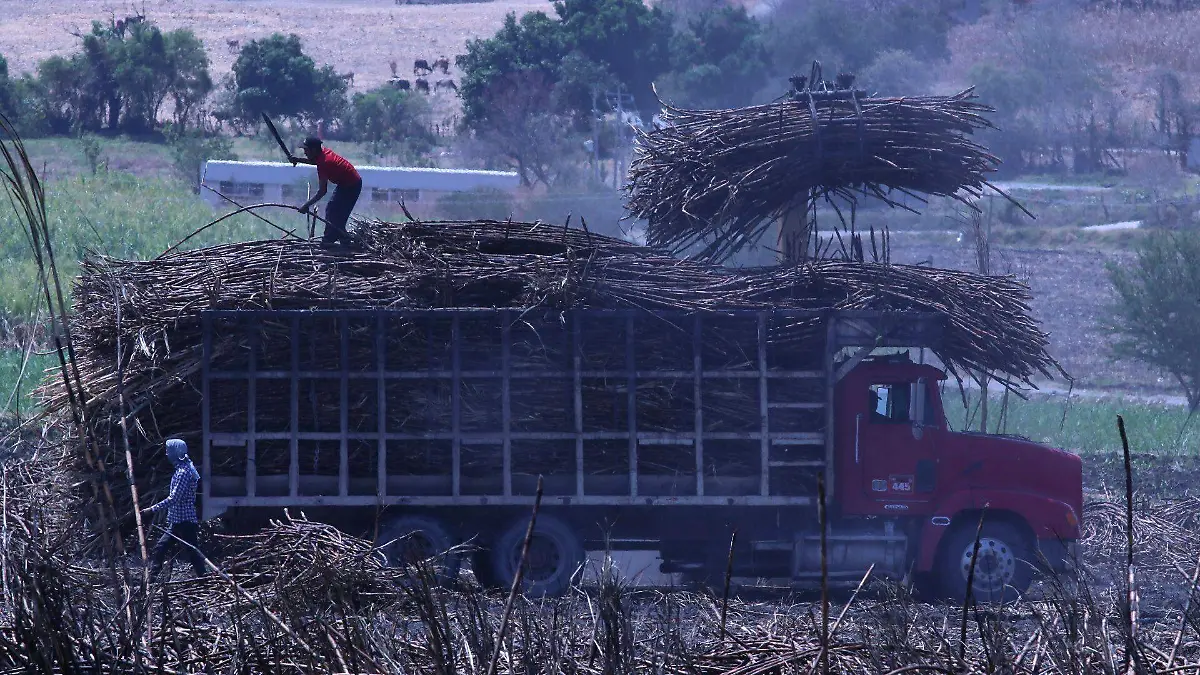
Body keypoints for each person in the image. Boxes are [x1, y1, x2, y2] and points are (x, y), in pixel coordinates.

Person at [143, 438, 207, 579]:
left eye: (168, 451)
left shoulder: (184, 472)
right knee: (161, 548)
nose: (166, 454)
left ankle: (205, 579)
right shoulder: (181, 469)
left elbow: (174, 499)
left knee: (193, 552)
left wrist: (152, 509)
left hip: (185, 521)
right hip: (178, 521)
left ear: (175, 452)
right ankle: (152, 579)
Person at [291, 137, 362, 245]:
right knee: (334, 212)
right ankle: (341, 240)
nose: (304, 152)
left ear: (314, 150)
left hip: (351, 186)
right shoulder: (322, 154)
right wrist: (297, 160)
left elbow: (322, 191)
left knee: (335, 213)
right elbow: (314, 161)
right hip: (344, 184)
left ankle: (331, 240)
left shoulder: (324, 163)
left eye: (306, 150)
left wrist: (306, 205)